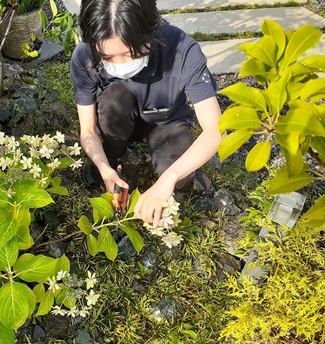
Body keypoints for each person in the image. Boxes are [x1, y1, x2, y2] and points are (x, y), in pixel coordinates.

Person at [70, 0, 222, 228]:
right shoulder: (85, 56)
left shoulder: (182, 50)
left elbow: (216, 131)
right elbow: (88, 130)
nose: (120, 64)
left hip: (166, 121)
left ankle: (177, 175)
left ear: (150, 33)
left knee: (179, 173)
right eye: (108, 57)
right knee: (114, 101)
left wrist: (168, 179)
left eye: (131, 53)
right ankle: (113, 155)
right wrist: (102, 165)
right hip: (120, 115)